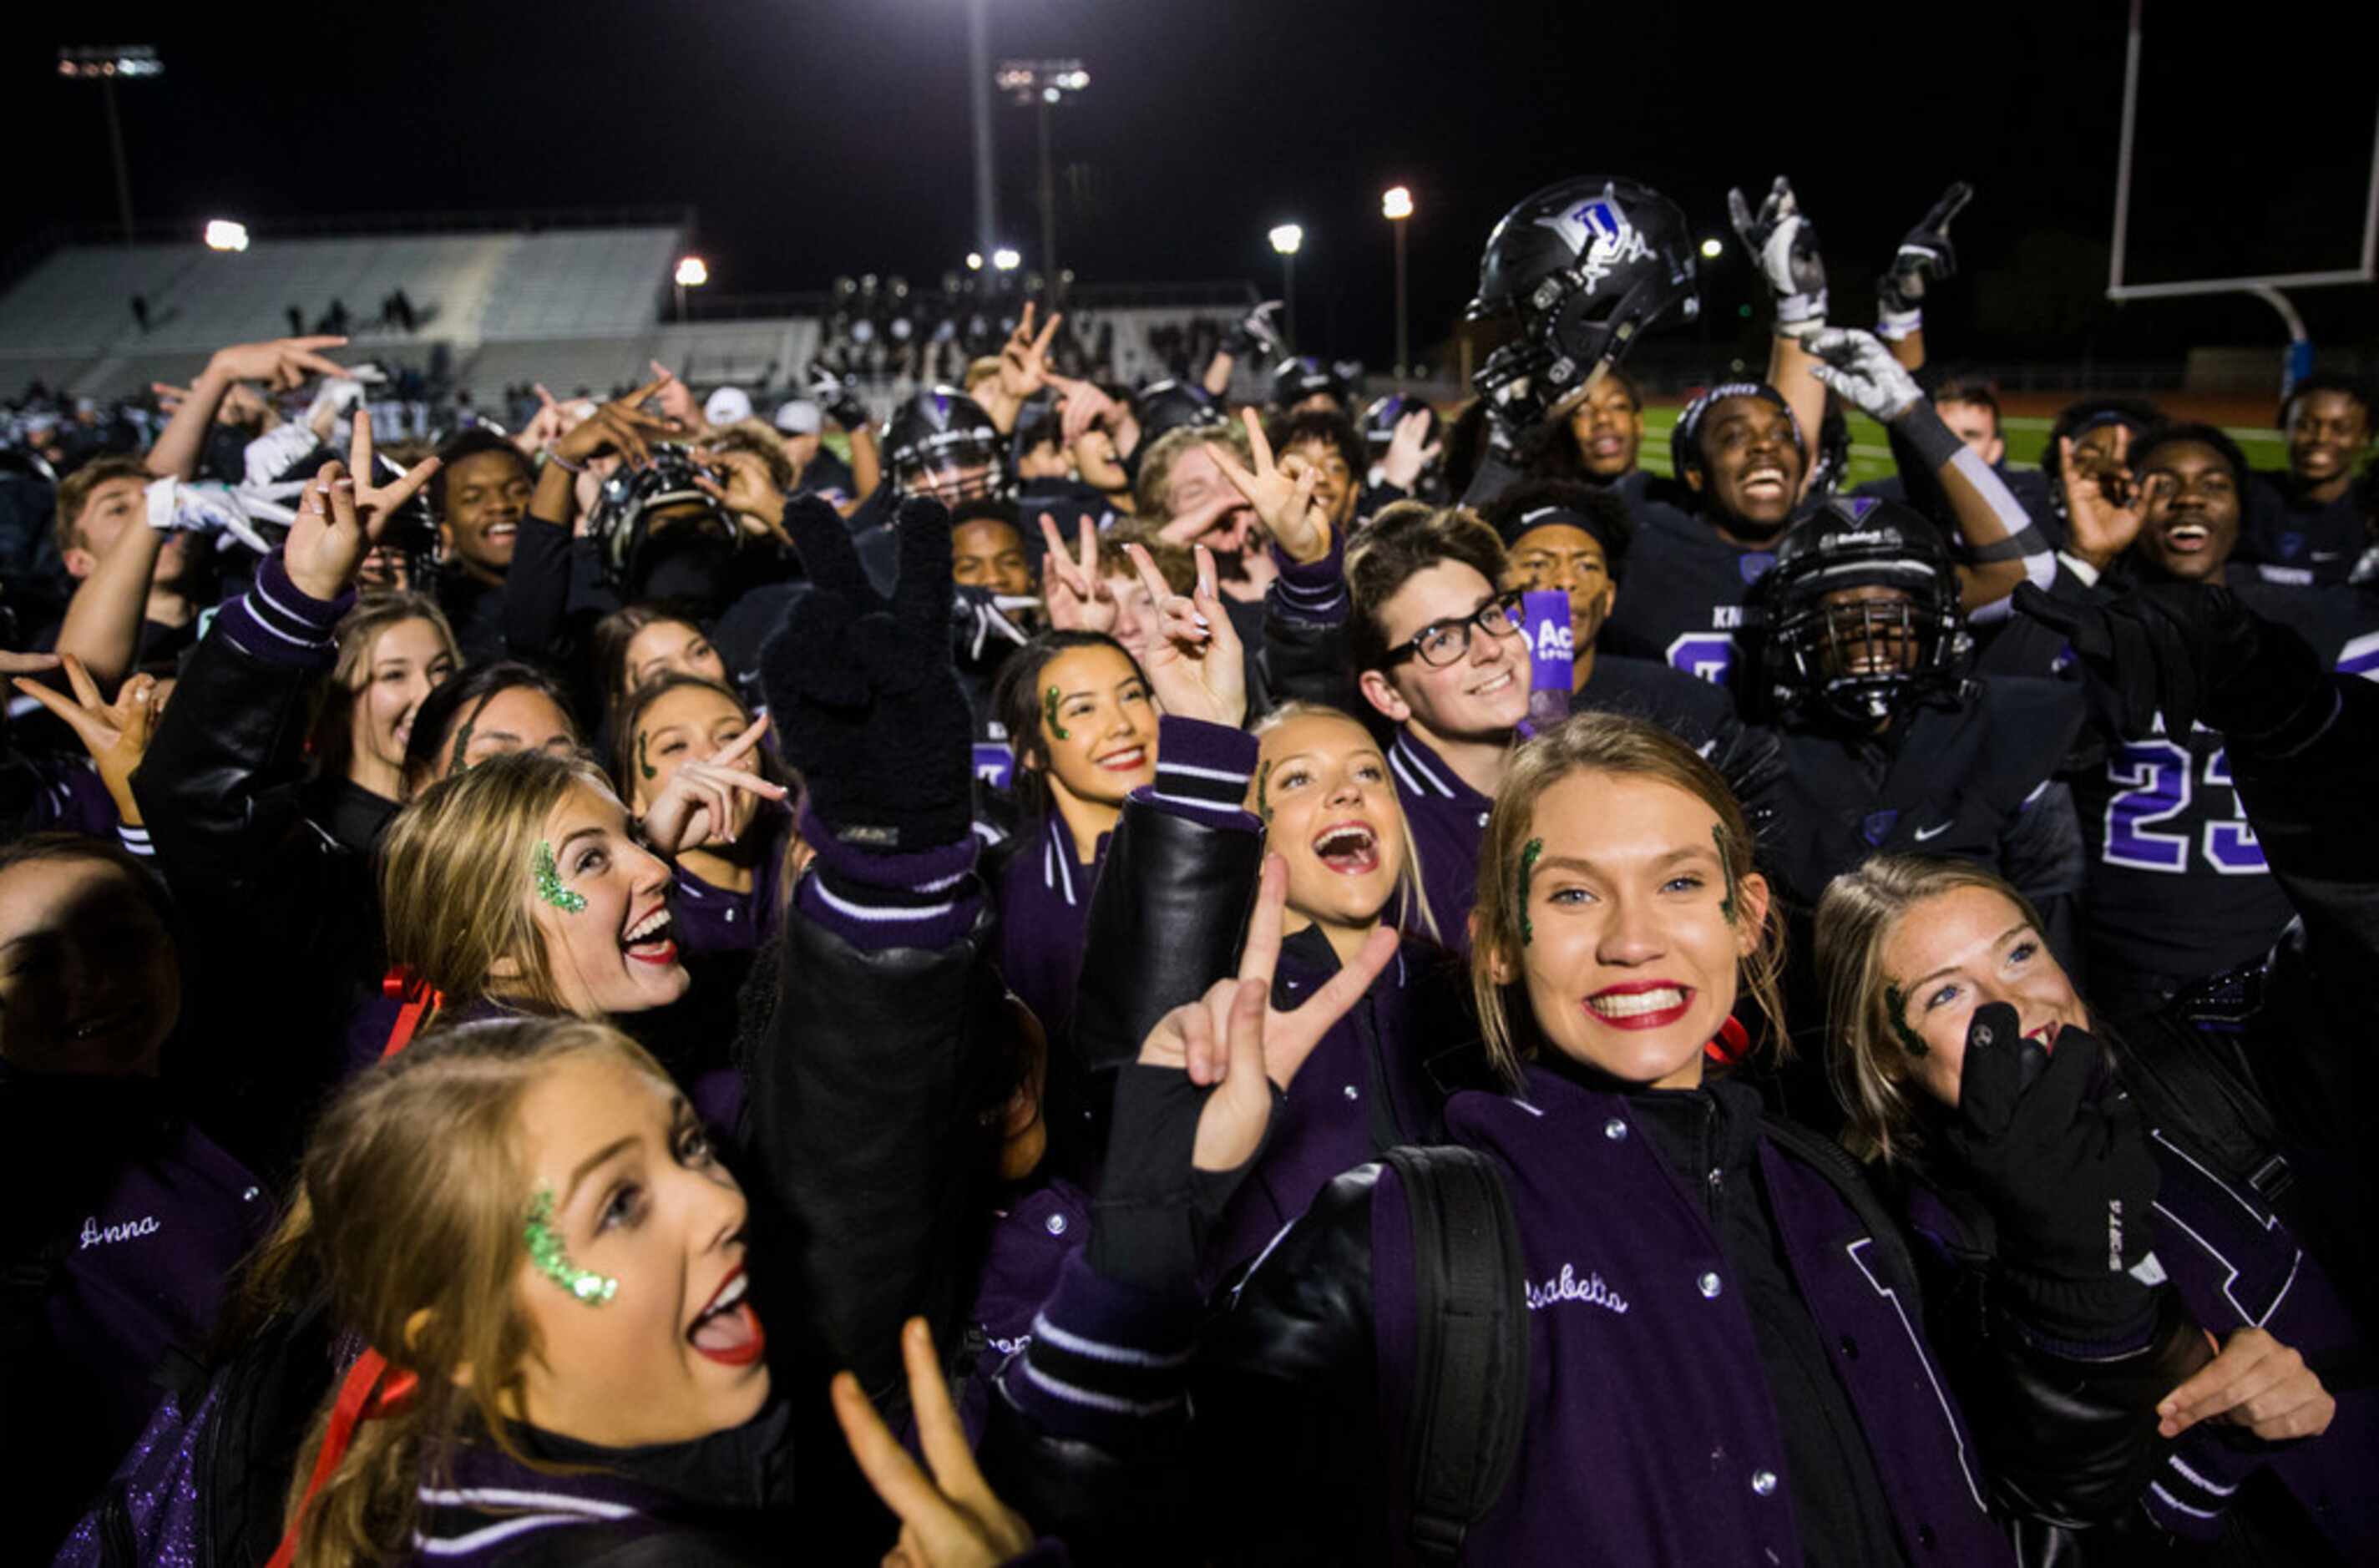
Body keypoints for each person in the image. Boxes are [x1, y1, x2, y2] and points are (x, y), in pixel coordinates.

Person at [990, 711, 2198, 1565]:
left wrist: (2082, 1283)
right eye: (1571, 893)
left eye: (1679, 883)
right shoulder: (1407, 1229)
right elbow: (1103, 1511)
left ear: (1746, 916)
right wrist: (1156, 1205)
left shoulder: (1841, 1194)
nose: (1633, 939)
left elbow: (2045, 1504)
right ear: (1500, 942)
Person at [1815, 856, 2373, 1561]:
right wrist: (2220, 1436)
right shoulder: (1914, 1259)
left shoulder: (2193, 1066)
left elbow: (2341, 950)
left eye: (2019, 953)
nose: (2011, 1006)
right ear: (1887, 1054)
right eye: (1946, 995)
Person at [1, 834, 274, 1562]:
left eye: (119, 939)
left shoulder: (257, 1103)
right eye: (33, 963)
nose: (90, 979)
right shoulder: (19, 1199)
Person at [1748, 496, 2086, 980]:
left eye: (1891, 611)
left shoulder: (2007, 725)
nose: (1867, 634)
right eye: (1841, 615)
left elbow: (2055, 920)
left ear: (1937, 618)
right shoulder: (1767, 762)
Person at [612, 674, 794, 958]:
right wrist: (653, 846)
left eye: (731, 735)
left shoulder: (812, 854)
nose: (711, 757)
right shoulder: (634, 918)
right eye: (675, 746)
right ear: (632, 795)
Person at [307, 593, 458, 812]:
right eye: (394, 675)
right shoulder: (312, 833)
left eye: (440, 669)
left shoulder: (470, 817)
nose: (427, 693)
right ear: (339, 698)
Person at [2235, 373, 2372, 585]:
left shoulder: (2370, 511)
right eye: (2305, 425)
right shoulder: (2241, 494)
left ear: (2365, 437)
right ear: (2284, 428)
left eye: (2341, 429)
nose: (2321, 438)